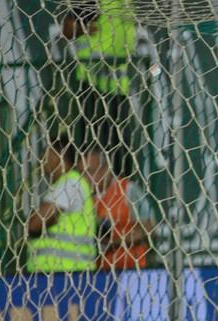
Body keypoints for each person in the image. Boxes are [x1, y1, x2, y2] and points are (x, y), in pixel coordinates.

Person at [60, 0, 136, 178]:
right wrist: (85, 29)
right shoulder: (93, 2)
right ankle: (92, 198)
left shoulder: (127, 4)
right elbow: (67, 29)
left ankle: (117, 199)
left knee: (119, 153)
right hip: (91, 86)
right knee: (92, 151)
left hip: (118, 88)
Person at [27, 135, 97, 273]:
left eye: (45, 154)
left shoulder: (70, 183)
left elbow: (35, 223)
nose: (42, 161)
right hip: (60, 272)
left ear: (56, 155)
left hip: (66, 273)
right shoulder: (69, 183)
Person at [83, 147, 155, 270]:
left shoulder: (129, 190)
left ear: (106, 169)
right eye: (82, 172)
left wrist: (114, 242)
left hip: (133, 268)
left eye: (90, 171)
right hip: (101, 272)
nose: (85, 177)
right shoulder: (84, 198)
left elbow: (149, 228)